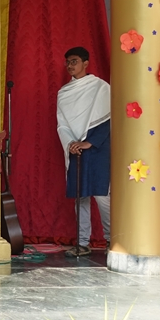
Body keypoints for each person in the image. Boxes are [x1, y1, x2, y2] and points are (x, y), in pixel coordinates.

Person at [56, 46, 111, 257]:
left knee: (102, 196)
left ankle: (112, 240)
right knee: (81, 197)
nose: (70, 66)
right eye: (68, 62)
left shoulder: (101, 88)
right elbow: (62, 124)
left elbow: (109, 119)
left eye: (75, 61)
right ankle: (82, 243)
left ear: (85, 63)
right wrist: (71, 142)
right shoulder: (64, 92)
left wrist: (90, 142)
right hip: (76, 150)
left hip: (98, 149)